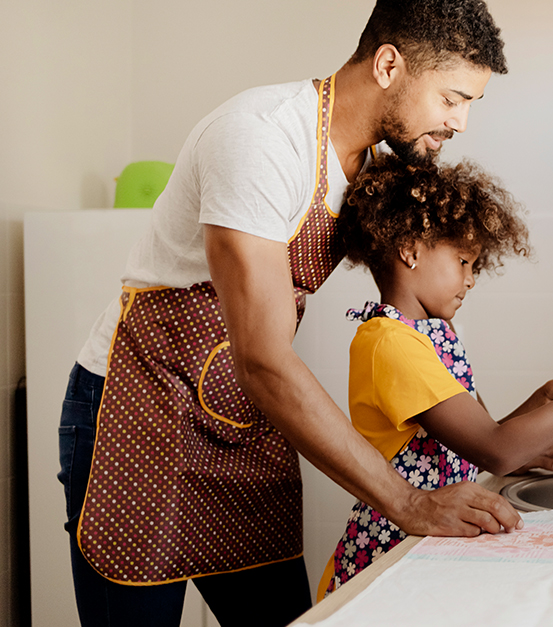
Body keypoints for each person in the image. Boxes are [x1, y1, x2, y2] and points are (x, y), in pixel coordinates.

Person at [56, 2, 525, 626]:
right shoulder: (262, 139)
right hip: (142, 416)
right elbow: (265, 360)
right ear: (389, 64)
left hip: (242, 423)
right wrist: (406, 502)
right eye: (451, 98)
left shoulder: (363, 165)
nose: (460, 121)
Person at [317, 155, 553, 598]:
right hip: (391, 556)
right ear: (411, 249)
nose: (471, 280)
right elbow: (497, 451)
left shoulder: (430, 332)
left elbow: (475, 439)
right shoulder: (389, 343)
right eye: (464, 261)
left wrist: (542, 404)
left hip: (430, 543)